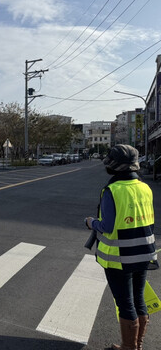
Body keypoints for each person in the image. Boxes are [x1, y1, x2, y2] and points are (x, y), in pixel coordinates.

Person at [85, 144, 157, 350]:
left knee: (125, 303)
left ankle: (128, 347)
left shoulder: (112, 190)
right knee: (138, 299)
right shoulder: (145, 187)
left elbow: (107, 226)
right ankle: (137, 345)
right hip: (144, 253)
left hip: (120, 258)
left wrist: (90, 222)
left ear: (114, 167)